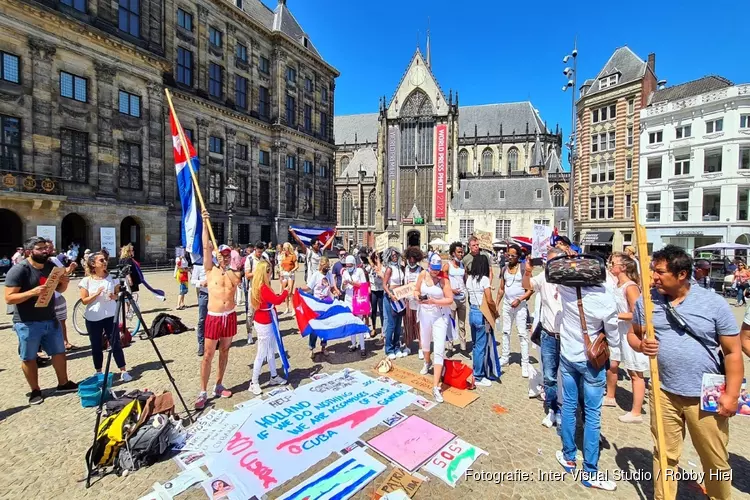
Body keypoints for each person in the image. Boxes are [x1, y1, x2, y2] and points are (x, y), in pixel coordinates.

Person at [628, 245, 742, 500]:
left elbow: (733, 352)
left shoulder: (713, 304)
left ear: (681, 275)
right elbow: (632, 335)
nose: (653, 277)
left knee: (714, 459)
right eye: (652, 271)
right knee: (664, 454)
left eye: (659, 272)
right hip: (663, 391)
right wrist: (641, 345)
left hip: (706, 394)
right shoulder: (646, 302)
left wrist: (731, 395)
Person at [555, 262, 620, 491]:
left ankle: (569, 456)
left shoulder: (565, 289)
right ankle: (591, 470)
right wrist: (615, 359)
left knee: (569, 406)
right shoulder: (606, 297)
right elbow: (613, 332)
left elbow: (554, 269)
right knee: (593, 414)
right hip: (592, 361)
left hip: (568, 356)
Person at [4, 236, 78, 405]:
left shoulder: (50, 266)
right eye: (40, 248)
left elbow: (59, 289)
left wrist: (64, 281)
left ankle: (63, 383)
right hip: (27, 322)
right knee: (29, 357)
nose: (46, 250)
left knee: (59, 353)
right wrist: (32, 292)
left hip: (50, 318)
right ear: (30, 252)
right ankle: (35, 390)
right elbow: (9, 298)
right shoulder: (19, 270)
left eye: (46, 247)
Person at [195, 210, 243, 410]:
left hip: (229, 316)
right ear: (216, 256)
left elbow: (238, 282)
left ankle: (219, 384)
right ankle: (203, 390)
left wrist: (230, 269)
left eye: (226, 255)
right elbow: (206, 246)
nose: (223, 257)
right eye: (221, 255)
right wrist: (206, 223)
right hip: (214, 316)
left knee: (224, 351)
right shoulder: (210, 269)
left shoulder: (233, 274)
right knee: (208, 354)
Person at [523, 247, 564, 428]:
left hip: (567, 336)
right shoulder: (544, 278)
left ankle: (564, 410)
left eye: (554, 262)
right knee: (549, 376)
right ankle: (552, 409)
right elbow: (527, 285)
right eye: (549, 262)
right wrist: (528, 269)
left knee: (565, 376)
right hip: (548, 335)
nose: (551, 266)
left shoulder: (570, 281)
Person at [605, 253, 647, 424]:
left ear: (623, 267)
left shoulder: (630, 287)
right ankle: (610, 396)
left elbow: (638, 314)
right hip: (617, 331)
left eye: (613, 263)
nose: (610, 265)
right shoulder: (617, 283)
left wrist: (616, 315)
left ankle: (636, 412)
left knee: (635, 372)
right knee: (612, 363)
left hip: (630, 331)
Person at [79, 251, 132, 382]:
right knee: (96, 345)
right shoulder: (86, 281)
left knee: (115, 343)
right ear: (93, 264)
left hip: (110, 315)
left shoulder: (112, 277)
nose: (105, 262)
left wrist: (114, 296)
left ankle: (123, 371)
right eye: (101, 260)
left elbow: (118, 294)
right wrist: (96, 294)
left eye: (105, 260)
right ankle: (99, 371)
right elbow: (84, 300)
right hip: (93, 317)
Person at [415, 254, 454, 403]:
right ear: (429, 265)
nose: (435, 272)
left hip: (440, 316)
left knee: (438, 349)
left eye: (438, 270)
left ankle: (436, 386)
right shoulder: (423, 274)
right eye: (433, 269)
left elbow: (449, 299)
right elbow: (416, 290)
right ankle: (427, 362)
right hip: (425, 314)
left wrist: (435, 300)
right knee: (425, 344)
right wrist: (418, 296)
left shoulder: (444, 280)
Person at [249, 260, 289, 395]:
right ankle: (254, 382)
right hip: (264, 321)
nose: (271, 274)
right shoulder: (263, 288)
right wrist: (285, 291)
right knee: (262, 353)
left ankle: (273, 375)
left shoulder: (259, 286)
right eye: (269, 272)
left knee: (271, 350)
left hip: (267, 319)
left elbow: (272, 299)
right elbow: (277, 300)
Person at [495, 244, 533, 377]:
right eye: (508, 255)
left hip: (520, 306)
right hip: (507, 305)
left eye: (512, 255)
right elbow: (501, 288)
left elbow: (530, 290)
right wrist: (496, 304)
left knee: (522, 334)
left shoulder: (523, 269)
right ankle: (505, 357)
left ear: (518, 256)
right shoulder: (504, 268)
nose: (510, 257)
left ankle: (525, 362)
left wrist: (520, 299)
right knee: (505, 331)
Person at [466, 254, 500, 387]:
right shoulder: (485, 280)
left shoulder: (469, 279)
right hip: (481, 312)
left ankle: (476, 369)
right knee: (480, 346)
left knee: (475, 345)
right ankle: (478, 376)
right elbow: (489, 299)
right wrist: (494, 310)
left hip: (472, 311)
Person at [300, 256, 340, 359]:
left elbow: (331, 288)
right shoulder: (316, 275)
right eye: (325, 266)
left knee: (325, 326)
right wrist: (300, 289)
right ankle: (311, 348)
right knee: (314, 327)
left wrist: (335, 292)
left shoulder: (329, 275)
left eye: (328, 267)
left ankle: (323, 346)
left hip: (326, 304)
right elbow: (309, 288)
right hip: (317, 304)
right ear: (321, 265)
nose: (327, 268)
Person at [48, 241, 78, 351]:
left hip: (56, 295)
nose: (52, 250)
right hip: (43, 298)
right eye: (49, 248)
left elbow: (63, 272)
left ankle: (65, 342)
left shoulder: (54, 260)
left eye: (52, 247)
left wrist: (69, 269)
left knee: (61, 320)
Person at [382, 247, 406, 359]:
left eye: (396, 254)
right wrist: (390, 295)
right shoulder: (389, 269)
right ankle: (388, 348)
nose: (394, 256)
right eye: (392, 255)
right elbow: (384, 284)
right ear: (389, 256)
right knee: (391, 324)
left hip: (400, 296)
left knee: (398, 325)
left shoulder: (400, 267)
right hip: (391, 297)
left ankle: (397, 347)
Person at [341, 255, 367, 357]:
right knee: (351, 322)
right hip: (348, 299)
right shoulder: (345, 273)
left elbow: (363, 285)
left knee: (359, 323)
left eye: (350, 265)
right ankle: (353, 344)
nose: (348, 267)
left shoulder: (359, 271)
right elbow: (342, 288)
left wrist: (351, 282)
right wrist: (343, 284)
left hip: (358, 299)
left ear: (354, 264)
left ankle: (363, 346)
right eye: (347, 265)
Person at [244, 241, 269, 345]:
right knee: (250, 312)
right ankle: (249, 333)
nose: (259, 254)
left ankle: (260, 331)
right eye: (258, 252)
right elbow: (247, 275)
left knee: (261, 310)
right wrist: (257, 272)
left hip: (262, 289)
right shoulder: (249, 259)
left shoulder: (264, 258)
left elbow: (268, 270)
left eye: (261, 252)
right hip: (252, 288)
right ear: (255, 249)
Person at [445, 242, 468, 351]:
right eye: (459, 252)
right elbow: (443, 282)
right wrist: (451, 290)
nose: (461, 254)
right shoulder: (447, 265)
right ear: (453, 253)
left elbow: (465, 280)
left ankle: (463, 347)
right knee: (451, 323)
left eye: (462, 252)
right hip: (452, 299)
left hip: (462, 299)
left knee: (462, 325)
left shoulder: (463, 265)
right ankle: (450, 347)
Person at [403, 247, 423, 357]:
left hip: (418, 301)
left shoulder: (421, 270)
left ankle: (421, 347)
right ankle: (407, 346)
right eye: (409, 260)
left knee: (419, 324)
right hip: (407, 301)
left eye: (413, 260)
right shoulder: (404, 269)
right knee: (407, 324)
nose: (411, 262)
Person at [192, 256, 208, 357]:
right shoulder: (198, 264)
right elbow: (192, 281)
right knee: (202, 319)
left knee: (215, 319)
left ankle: (214, 339)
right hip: (204, 293)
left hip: (216, 294)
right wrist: (200, 283)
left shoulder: (216, 261)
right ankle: (201, 344)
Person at [367, 251, 385, 336]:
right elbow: (365, 275)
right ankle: (373, 328)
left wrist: (378, 264)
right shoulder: (369, 267)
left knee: (382, 311)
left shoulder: (383, 267)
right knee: (373, 310)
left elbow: (382, 274)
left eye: (378, 257)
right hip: (373, 290)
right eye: (375, 257)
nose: (376, 259)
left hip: (381, 290)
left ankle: (383, 329)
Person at [279, 242, 298, 315]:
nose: (283, 250)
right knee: (285, 292)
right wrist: (280, 271)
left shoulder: (293, 256)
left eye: (285, 248)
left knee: (290, 291)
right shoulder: (283, 256)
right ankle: (287, 307)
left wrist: (292, 270)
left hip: (290, 274)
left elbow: (296, 266)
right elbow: (281, 265)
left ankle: (293, 308)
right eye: (283, 248)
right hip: (284, 274)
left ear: (288, 248)